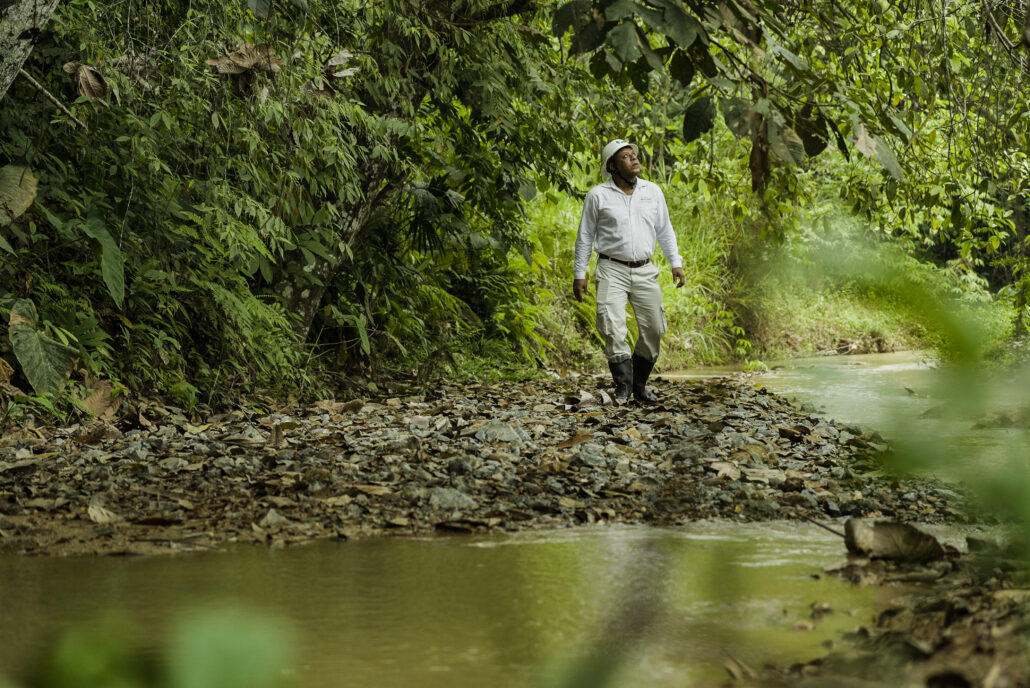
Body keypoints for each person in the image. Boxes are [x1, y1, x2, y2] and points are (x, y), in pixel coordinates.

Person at [573, 139, 686, 403]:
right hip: (611, 268)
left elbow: (665, 230)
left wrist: (675, 262)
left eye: (633, 154)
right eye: (625, 156)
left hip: (645, 270)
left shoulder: (652, 191)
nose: (634, 158)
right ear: (612, 166)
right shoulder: (597, 195)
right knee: (612, 325)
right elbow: (585, 236)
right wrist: (580, 274)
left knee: (654, 328)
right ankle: (623, 386)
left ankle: (639, 385)